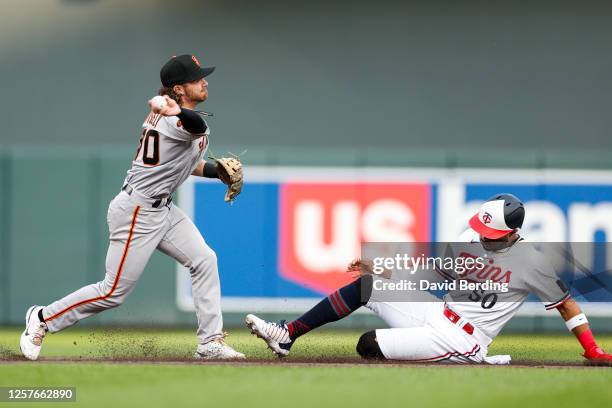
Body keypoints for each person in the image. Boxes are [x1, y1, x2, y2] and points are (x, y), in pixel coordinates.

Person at [20, 54, 245, 361]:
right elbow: (193, 125)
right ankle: (43, 318)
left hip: (162, 208)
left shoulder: (174, 114)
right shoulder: (172, 118)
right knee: (112, 292)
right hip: (138, 211)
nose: (204, 81)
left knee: (205, 260)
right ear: (179, 89)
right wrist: (175, 110)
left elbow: (184, 162)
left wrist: (215, 172)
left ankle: (210, 343)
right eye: (197, 78)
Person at [246, 193, 612, 364]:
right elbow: (433, 271)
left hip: (465, 339)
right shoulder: (472, 243)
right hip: (438, 313)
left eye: (490, 232)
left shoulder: (533, 263)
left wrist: (592, 348)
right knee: (366, 287)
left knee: (367, 344)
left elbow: (566, 305)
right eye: (482, 229)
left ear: (511, 231)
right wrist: (384, 269)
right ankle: (287, 335)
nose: (483, 236)